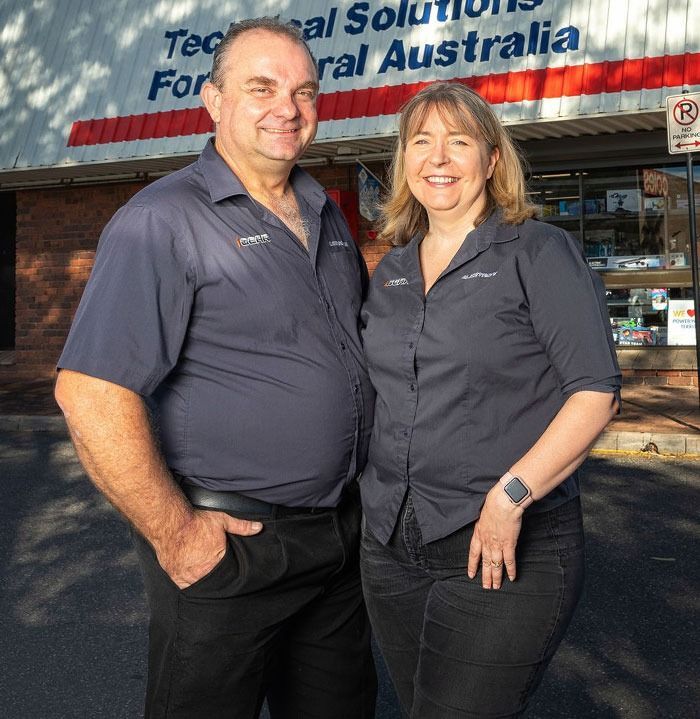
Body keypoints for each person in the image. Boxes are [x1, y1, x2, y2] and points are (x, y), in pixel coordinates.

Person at [54, 17, 376, 719]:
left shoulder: (326, 214)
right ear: (213, 100)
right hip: (231, 548)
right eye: (261, 87)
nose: (288, 108)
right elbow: (90, 393)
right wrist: (178, 534)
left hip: (338, 542)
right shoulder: (161, 220)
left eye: (305, 91)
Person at [359, 82, 621, 718]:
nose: (438, 158)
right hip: (390, 548)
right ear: (403, 161)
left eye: (459, 141)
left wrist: (511, 496)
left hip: (499, 542)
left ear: (492, 159)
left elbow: (595, 391)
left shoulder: (537, 250)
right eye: (421, 141)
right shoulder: (390, 270)